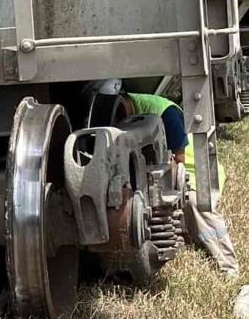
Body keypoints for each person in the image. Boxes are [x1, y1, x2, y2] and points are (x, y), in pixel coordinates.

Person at [88, 80, 240, 278]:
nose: (114, 115)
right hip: (170, 170)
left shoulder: (165, 113)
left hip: (195, 172)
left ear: (123, 98)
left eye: (116, 108)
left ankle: (228, 267)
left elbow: (179, 162)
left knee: (196, 206)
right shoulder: (125, 116)